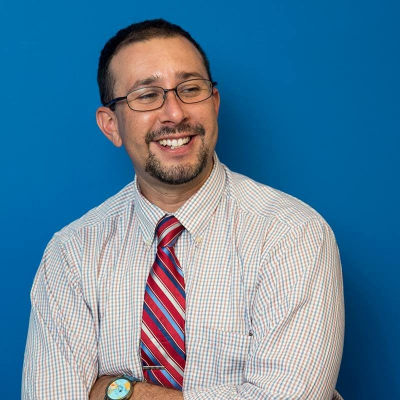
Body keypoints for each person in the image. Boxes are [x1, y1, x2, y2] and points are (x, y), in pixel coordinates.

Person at [22, 19, 344, 400]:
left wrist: (121, 393)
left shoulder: (293, 235)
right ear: (111, 126)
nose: (174, 114)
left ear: (215, 103)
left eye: (190, 89)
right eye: (147, 95)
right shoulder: (71, 255)